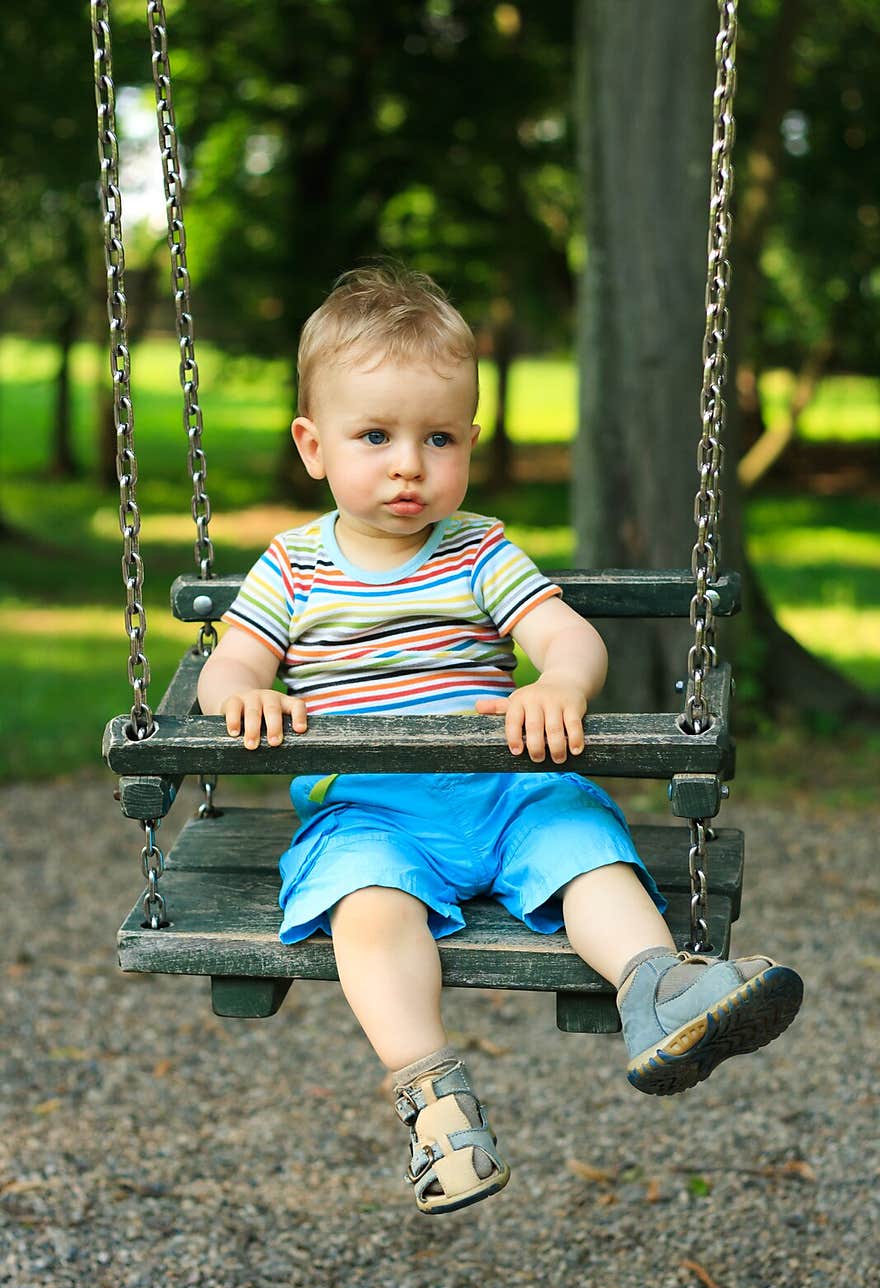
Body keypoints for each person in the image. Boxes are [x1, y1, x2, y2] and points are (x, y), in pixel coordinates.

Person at [197, 262, 803, 1216]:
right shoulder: (294, 568)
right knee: (367, 907)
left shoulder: (480, 550)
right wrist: (247, 695)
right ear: (313, 447)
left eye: (438, 437)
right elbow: (230, 662)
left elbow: (565, 633)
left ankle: (662, 992)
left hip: (505, 783)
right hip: (371, 807)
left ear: (470, 441)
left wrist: (560, 679)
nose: (409, 463)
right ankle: (437, 1107)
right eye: (376, 436)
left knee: (583, 845)